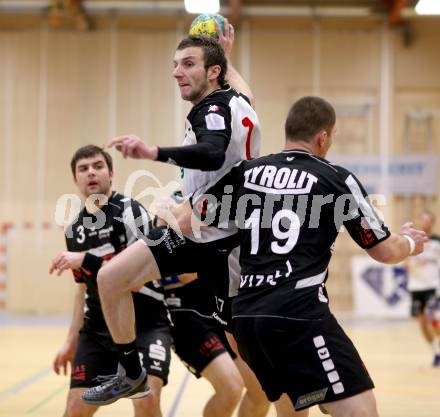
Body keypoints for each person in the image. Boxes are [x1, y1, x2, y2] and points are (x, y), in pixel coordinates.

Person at [188, 96, 428, 416]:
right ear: (323, 137)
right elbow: (384, 250)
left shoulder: (245, 172)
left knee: (292, 412)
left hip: (246, 318)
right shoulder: (335, 178)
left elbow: (193, 217)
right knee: (361, 411)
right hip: (297, 312)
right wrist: (410, 243)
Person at [81, 23, 267, 412]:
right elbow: (238, 91)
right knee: (110, 277)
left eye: (188, 63)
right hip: (194, 230)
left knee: (258, 363)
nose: (176, 72)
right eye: (175, 64)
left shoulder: (211, 109)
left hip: (226, 243)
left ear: (211, 73)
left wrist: (153, 152)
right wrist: (223, 55)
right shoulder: (240, 100)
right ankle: (131, 373)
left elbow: (213, 151)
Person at [50, 145, 172, 415]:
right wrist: (71, 340)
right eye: (83, 169)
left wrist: (87, 261)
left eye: (98, 166)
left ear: (111, 174)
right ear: (75, 179)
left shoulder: (131, 212)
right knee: (75, 408)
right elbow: (82, 290)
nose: (91, 173)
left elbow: (136, 280)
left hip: (144, 324)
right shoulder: (75, 230)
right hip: (97, 331)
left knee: (146, 400)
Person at [403, 210, 440, 366]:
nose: (425, 223)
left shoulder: (437, 241)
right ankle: (435, 351)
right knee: (422, 321)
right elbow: (402, 262)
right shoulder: (411, 240)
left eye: (428, 220)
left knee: (431, 316)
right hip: (416, 287)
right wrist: (413, 265)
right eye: (423, 219)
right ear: (419, 221)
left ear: (432, 222)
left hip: (432, 285)